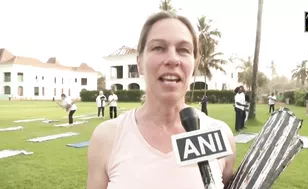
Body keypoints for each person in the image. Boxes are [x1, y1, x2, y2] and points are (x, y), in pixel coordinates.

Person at [87, 11, 236, 189]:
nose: (173, 59)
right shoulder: (107, 137)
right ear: (139, 63)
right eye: (158, 48)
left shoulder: (221, 134)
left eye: (183, 50)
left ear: (193, 64)